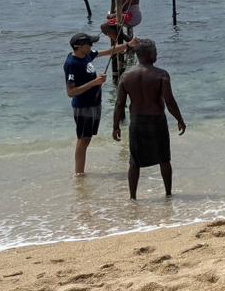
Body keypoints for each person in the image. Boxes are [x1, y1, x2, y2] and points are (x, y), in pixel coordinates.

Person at [111, 39, 185, 199]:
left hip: (137, 122)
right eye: (155, 52)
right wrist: (180, 119)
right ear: (151, 55)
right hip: (157, 121)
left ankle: (133, 197)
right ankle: (168, 194)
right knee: (164, 159)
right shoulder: (161, 75)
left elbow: (119, 104)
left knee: (134, 162)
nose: (157, 54)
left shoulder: (126, 76)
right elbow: (169, 101)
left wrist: (115, 126)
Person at [64, 31, 136, 176]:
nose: (92, 45)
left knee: (88, 138)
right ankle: (79, 174)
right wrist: (94, 82)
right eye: (89, 43)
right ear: (78, 46)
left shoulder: (87, 55)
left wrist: (128, 45)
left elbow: (109, 51)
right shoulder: (72, 64)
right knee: (83, 139)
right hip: (83, 106)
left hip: (94, 103)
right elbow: (71, 92)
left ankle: (81, 172)